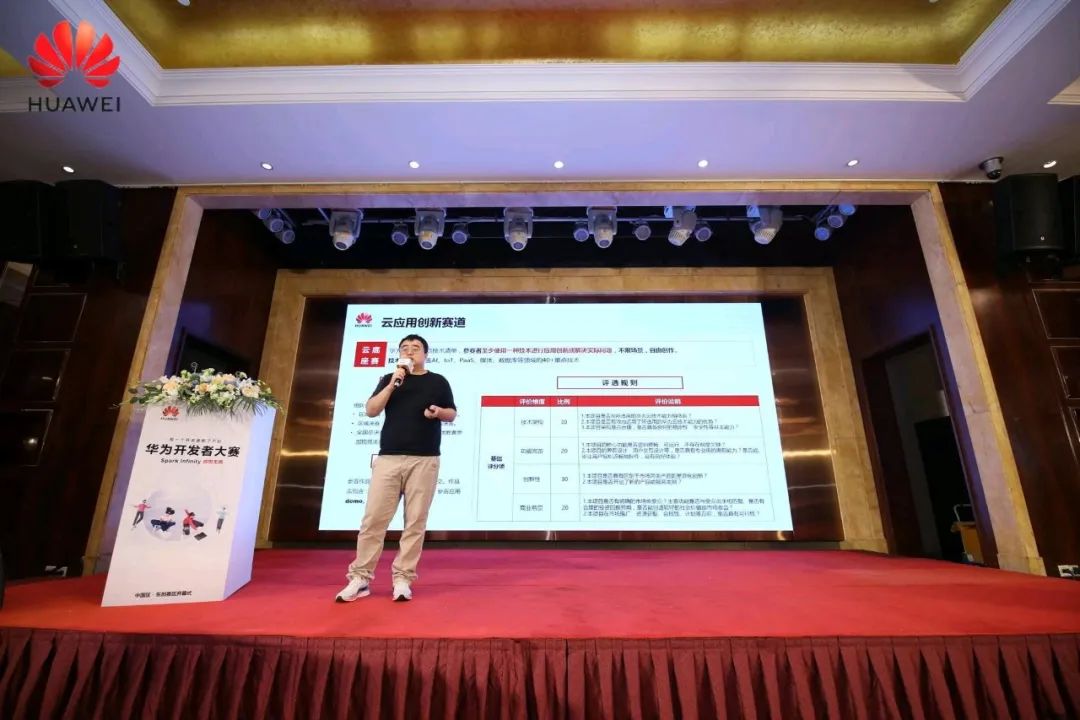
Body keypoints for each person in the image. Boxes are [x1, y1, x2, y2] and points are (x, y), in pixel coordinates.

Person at [336, 334, 456, 603]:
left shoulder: (438, 381)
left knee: (415, 522)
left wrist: (438, 412)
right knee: (373, 520)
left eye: (415, 348)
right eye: (405, 348)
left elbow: (451, 413)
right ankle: (360, 578)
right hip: (388, 458)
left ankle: (403, 579)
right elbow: (371, 410)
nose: (410, 352)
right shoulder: (390, 379)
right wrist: (392, 384)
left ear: (426, 354)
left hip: (424, 459)